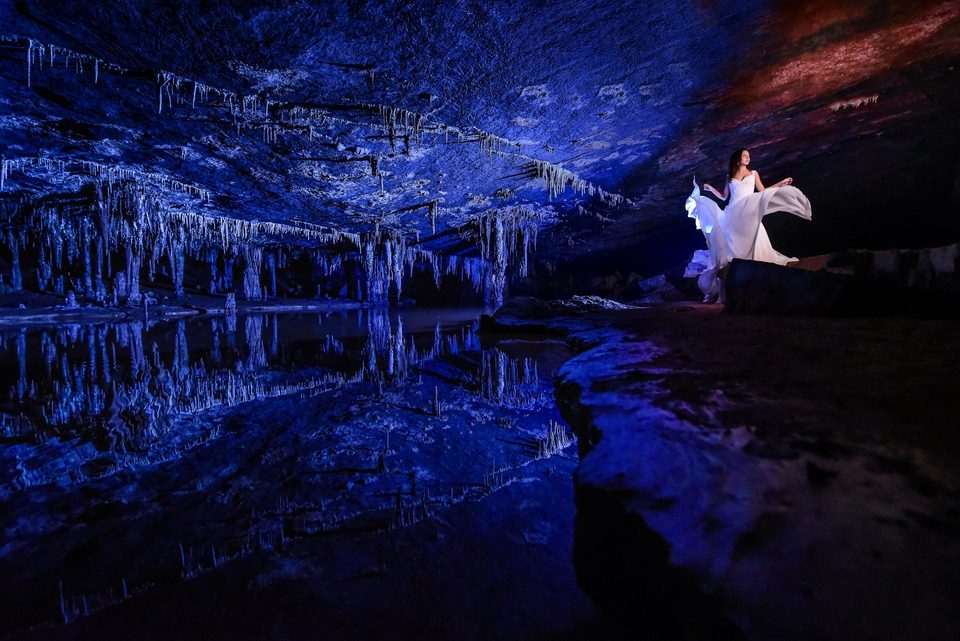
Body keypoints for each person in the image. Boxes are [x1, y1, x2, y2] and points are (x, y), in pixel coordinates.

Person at [686, 148, 812, 302]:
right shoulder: (730, 176)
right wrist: (711, 189)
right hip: (733, 213)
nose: (748, 158)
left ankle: (757, 283)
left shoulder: (753, 174)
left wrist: (780, 183)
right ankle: (725, 291)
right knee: (727, 247)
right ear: (737, 159)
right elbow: (724, 197)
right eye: (744, 156)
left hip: (747, 210)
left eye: (748, 156)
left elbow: (763, 191)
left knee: (753, 240)